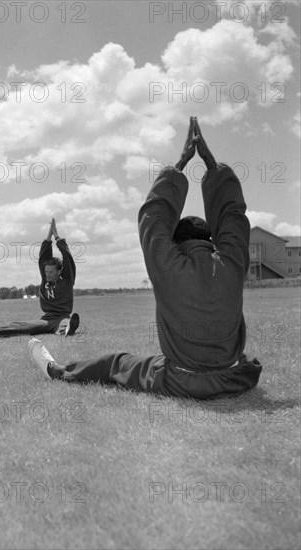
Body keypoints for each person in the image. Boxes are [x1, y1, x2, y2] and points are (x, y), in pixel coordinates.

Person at [28, 117, 263, 400]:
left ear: (176, 243)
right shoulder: (233, 263)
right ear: (211, 241)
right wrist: (215, 172)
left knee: (115, 363)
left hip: (179, 380)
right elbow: (233, 217)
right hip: (232, 378)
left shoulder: (167, 263)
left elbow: (154, 216)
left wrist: (179, 166)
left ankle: (58, 371)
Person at [0, 218, 80, 339]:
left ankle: (66, 330)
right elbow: (43, 255)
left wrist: (57, 236)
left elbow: (67, 256)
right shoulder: (45, 279)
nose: (47, 275)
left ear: (59, 271)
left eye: (51, 272)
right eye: (45, 272)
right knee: (20, 326)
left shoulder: (66, 279)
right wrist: (49, 233)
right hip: (46, 319)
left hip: (62, 317)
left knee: (64, 324)